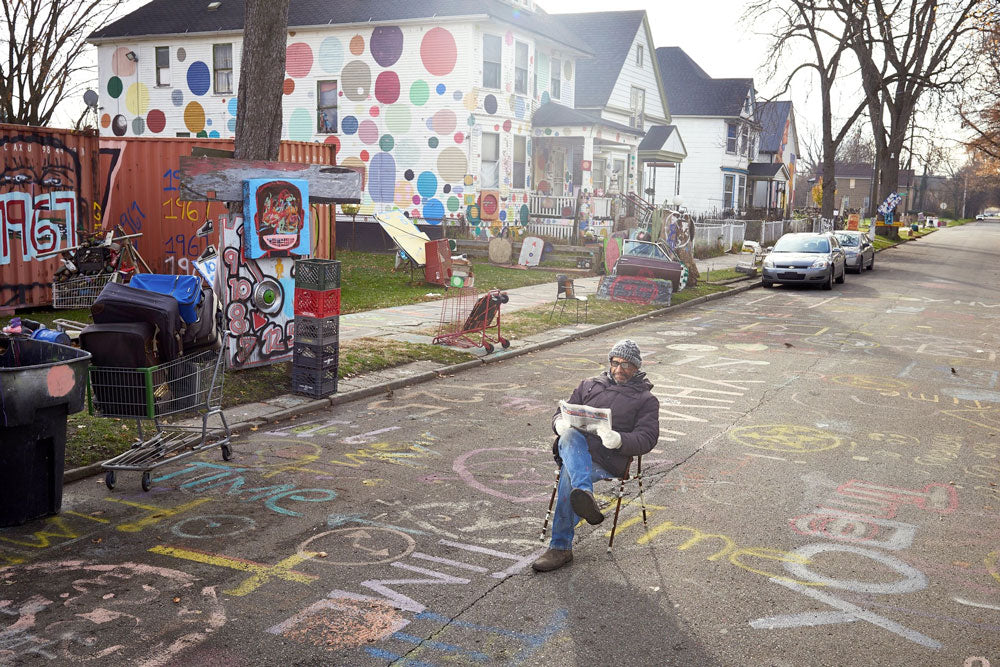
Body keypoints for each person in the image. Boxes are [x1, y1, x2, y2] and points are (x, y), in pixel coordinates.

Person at [533, 339, 660, 572]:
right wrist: (559, 423)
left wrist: (619, 439)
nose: (619, 369)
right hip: (574, 449)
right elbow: (560, 412)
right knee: (569, 436)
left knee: (569, 479)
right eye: (615, 362)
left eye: (627, 365)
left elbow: (648, 437)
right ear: (610, 361)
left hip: (607, 459)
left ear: (637, 368)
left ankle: (560, 547)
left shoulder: (646, 400)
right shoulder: (588, 385)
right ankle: (584, 497)